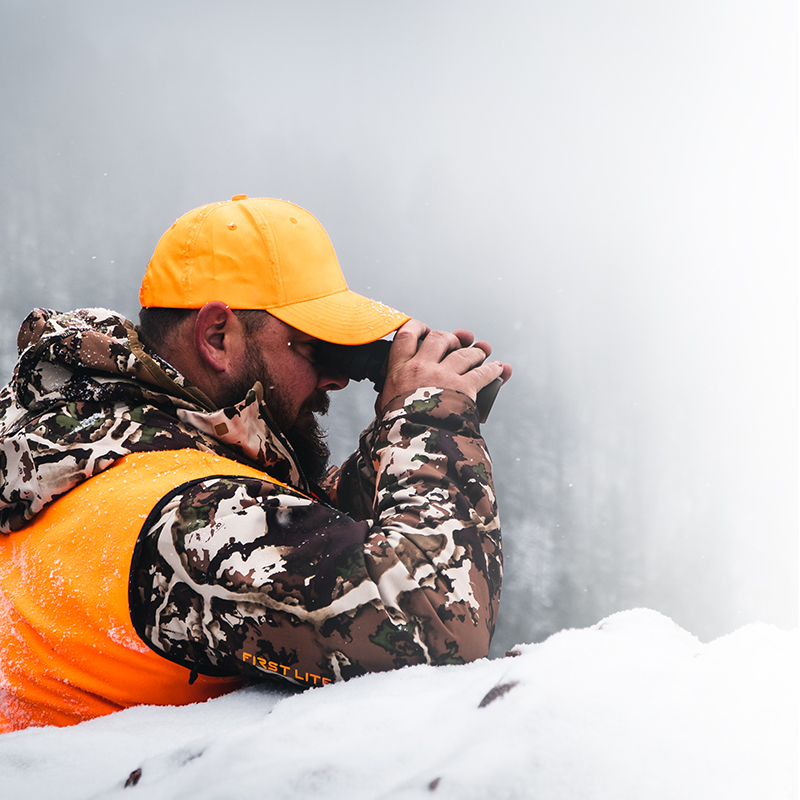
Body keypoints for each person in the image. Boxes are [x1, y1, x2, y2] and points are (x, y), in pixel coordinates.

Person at [0, 195, 511, 732]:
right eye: (315, 347)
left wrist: (395, 445)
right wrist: (432, 425)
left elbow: (296, 528)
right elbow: (435, 622)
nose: (337, 378)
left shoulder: (102, 446)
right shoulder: (183, 516)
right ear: (217, 337)